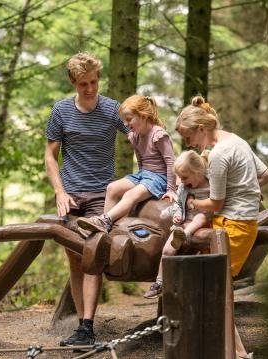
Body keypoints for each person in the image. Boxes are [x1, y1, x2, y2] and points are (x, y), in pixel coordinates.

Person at [175, 95, 268, 359]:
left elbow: (215, 204)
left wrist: (193, 203)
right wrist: (247, 191)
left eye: (188, 136)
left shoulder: (218, 154)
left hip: (234, 224)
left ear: (201, 129)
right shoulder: (235, 139)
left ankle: (235, 352)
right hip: (240, 219)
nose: (189, 143)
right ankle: (235, 350)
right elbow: (265, 175)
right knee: (211, 282)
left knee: (213, 285)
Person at [45, 52, 129, 346]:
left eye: (94, 82)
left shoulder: (113, 110)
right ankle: (82, 327)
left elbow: (141, 135)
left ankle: (87, 326)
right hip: (70, 195)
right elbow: (50, 157)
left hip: (102, 196)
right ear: (73, 82)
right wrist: (59, 192)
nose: (90, 88)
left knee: (92, 253)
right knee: (75, 259)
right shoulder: (60, 111)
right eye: (83, 84)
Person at [76, 95, 177, 233]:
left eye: (129, 119)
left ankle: (104, 220)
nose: (125, 124)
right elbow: (141, 160)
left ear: (143, 116)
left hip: (159, 178)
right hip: (144, 175)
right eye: (124, 120)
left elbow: (171, 162)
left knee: (130, 195)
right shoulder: (135, 136)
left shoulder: (158, 134)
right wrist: (140, 180)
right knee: (112, 187)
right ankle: (105, 227)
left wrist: (171, 189)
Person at [143, 150, 212, 299]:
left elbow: (224, 197)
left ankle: (184, 236)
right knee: (167, 250)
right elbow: (179, 205)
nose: (182, 181)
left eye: (185, 177)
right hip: (186, 223)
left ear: (198, 172)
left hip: (205, 221)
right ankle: (159, 283)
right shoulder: (184, 187)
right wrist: (178, 215)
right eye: (180, 177)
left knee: (200, 217)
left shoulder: (212, 183)